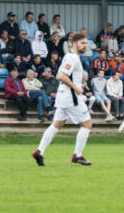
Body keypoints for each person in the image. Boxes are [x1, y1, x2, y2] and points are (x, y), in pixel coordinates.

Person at [31, 33, 94, 166]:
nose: (85, 46)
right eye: (83, 43)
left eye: (86, 44)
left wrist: (77, 84)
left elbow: (63, 75)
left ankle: (39, 152)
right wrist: (76, 87)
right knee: (87, 124)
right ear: (74, 44)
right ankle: (77, 155)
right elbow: (61, 76)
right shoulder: (72, 58)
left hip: (63, 96)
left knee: (56, 125)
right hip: (70, 97)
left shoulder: (71, 57)